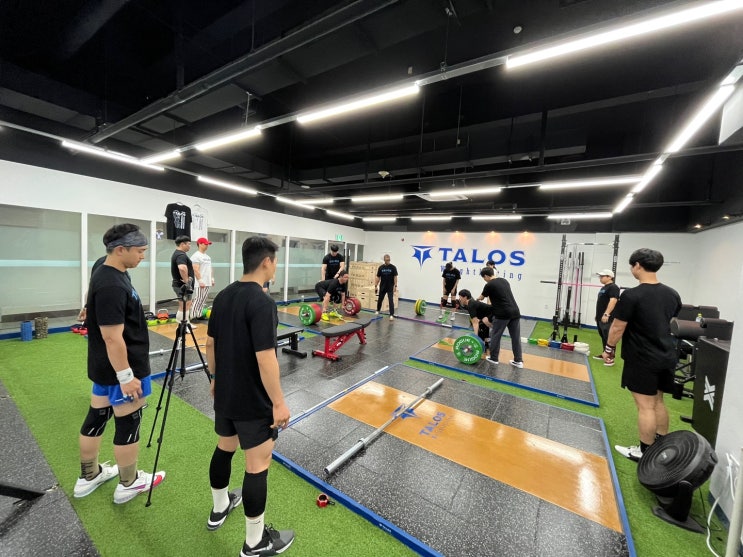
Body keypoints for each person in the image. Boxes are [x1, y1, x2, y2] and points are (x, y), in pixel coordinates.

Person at [205, 236, 294, 555]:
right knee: (257, 465)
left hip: (225, 393)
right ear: (266, 262)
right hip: (253, 400)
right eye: (275, 261)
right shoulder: (262, 302)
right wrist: (279, 403)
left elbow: (210, 343)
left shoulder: (224, 295)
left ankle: (219, 508)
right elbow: (265, 357)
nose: (276, 266)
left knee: (225, 447)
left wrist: (215, 378)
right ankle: (255, 543)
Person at [73, 223, 165, 504]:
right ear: (121, 249)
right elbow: (112, 338)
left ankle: (89, 476)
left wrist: (89, 308)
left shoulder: (105, 267)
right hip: (121, 367)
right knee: (128, 423)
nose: (143, 256)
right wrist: (126, 376)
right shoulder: (112, 284)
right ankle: (129, 482)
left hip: (102, 365)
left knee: (97, 417)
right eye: (140, 251)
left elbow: (92, 299)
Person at [602, 248, 681, 462]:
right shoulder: (672, 294)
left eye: (632, 266)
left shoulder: (632, 295)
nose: (632, 269)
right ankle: (660, 447)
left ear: (637, 265)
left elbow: (618, 327)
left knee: (645, 406)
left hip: (642, 357)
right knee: (658, 402)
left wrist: (609, 349)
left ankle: (644, 452)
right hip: (666, 355)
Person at [480, 266, 523, 368]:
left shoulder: (489, 285)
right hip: (515, 312)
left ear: (486, 276)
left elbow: (481, 297)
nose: (484, 280)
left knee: (495, 335)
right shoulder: (504, 281)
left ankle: (494, 358)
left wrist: (476, 299)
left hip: (502, 314)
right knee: (516, 337)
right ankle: (518, 361)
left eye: (484, 278)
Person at [593, 268, 620, 363]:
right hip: (600, 317)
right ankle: (605, 353)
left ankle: (610, 357)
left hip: (608, 318)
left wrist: (606, 314)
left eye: (602, 276)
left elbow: (613, 300)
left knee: (609, 337)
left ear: (609, 277)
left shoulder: (613, 287)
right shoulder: (604, 288)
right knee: (603, 336)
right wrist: (598, 315)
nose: (600, 278)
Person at [170, 235, 195, 325]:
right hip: (182, 286)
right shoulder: (181, 255)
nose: (189, 246)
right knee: (184, 305)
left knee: (187, 304)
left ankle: (186, 323)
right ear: (182, 244)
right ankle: (182, 325)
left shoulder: (179, 254)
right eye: (188, 244)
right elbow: (182, 268)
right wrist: (187, 281)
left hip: (181, 285)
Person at [190, 237, 214, 320]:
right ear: (200, 244)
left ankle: (199, 314)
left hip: (207, 281)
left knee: (203, 299)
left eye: (208, 244)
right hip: (200, 282)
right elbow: (195, 269)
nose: (207, 246)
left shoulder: (208, 257)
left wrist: (212, 279)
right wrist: (200, 281)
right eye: (205, 244)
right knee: (198, 299)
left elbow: (210, 268)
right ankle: (192, 316)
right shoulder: (196, 256)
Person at [375, 254, 398, 321]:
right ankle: (378, 310)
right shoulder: (381, 267)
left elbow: (395, 277)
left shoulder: (393, 267)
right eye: (387, 260)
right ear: (384, 260)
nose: (388, 261)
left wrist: (395, 286)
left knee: (391, 300)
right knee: (380, 299)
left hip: (390, 287)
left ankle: (391, 314)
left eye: (389, 260)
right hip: (382, 286)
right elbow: (378, 277)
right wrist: (376, 286)